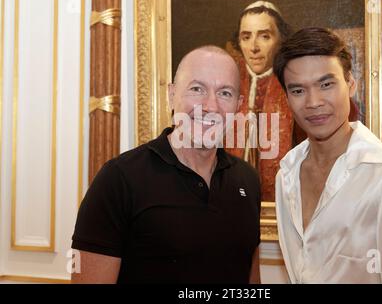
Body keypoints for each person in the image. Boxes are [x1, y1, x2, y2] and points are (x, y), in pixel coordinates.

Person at [71, 46, 261, 284]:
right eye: (196, 89)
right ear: (171, 95)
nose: (211, 106)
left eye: (225, 93)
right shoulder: (118, 179)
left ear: (239, 105)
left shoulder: (248, 180)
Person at [273, 27, 382, 283]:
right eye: (298, 90)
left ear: (350, 85)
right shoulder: (286, 175)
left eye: (326, 84)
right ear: (287, 98)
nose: (313, 101)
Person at [225, 1, 295, 202]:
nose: (254, 47)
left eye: (264, 36)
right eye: (246, 37)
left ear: (281, 39)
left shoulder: (292, 82)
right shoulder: (226, 81)